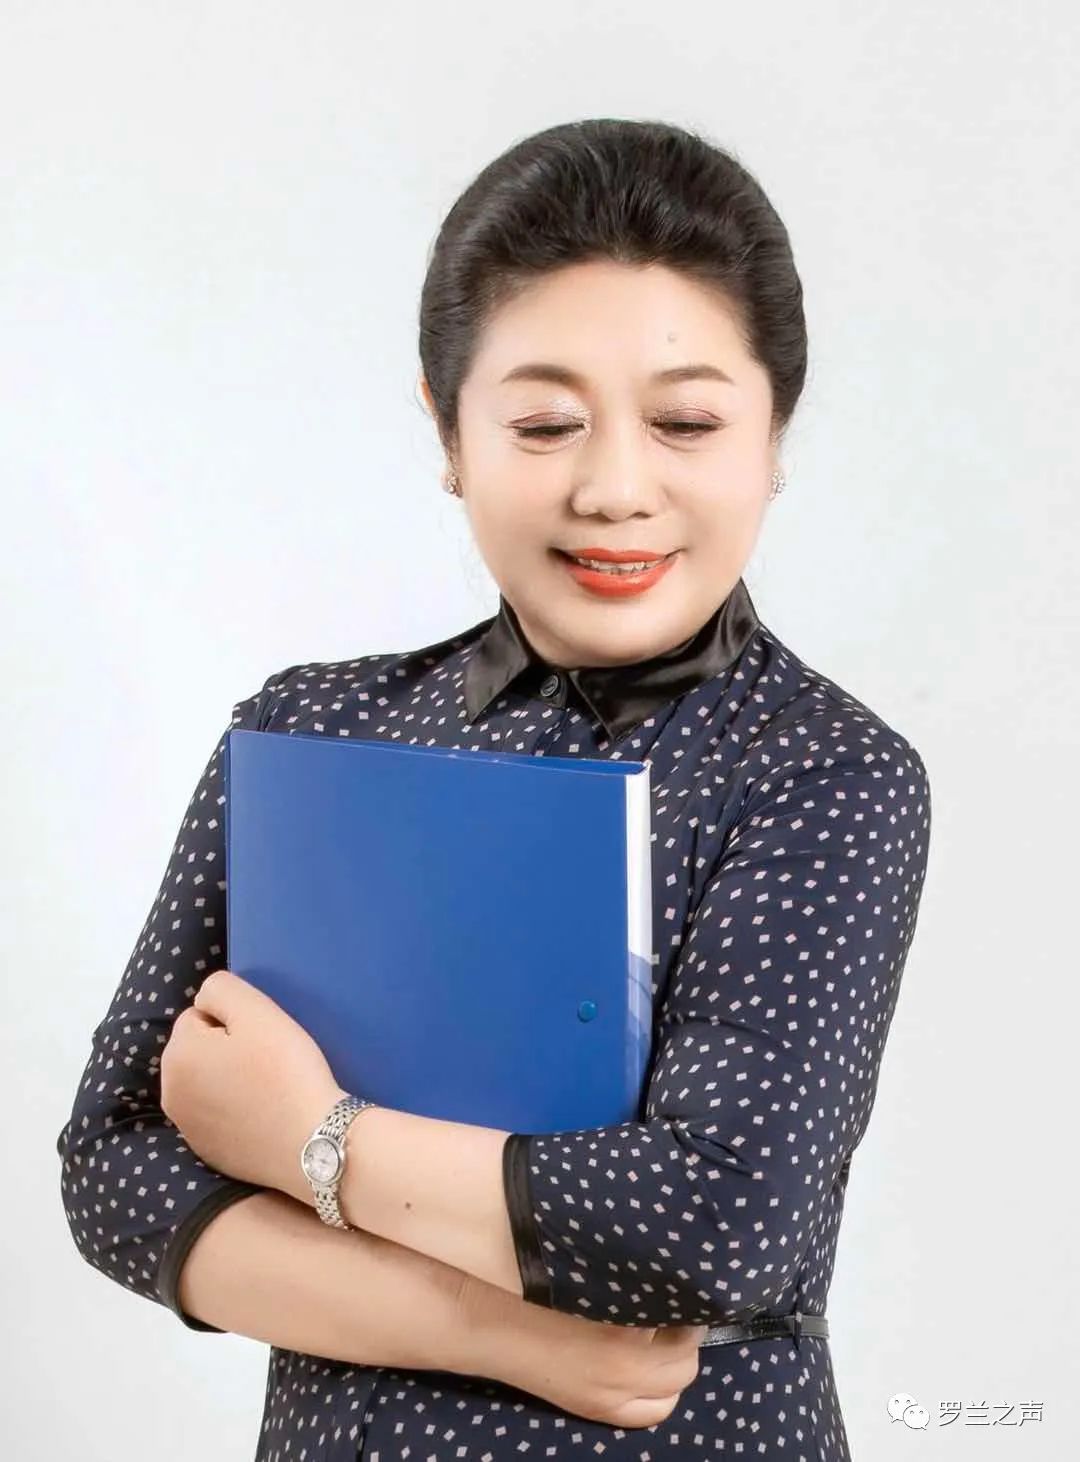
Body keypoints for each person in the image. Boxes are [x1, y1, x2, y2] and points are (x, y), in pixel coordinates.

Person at [56, 116, 932, 1461]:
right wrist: (506, 1334)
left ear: (773, 436)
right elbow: (117, 1166)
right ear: (449, 429)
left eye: (687, 421)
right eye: (544, 423)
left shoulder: (821, 771)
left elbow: (718, 1224)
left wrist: (308, 1136)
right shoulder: (311, 733)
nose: (616, 488)